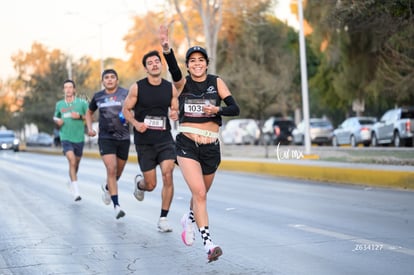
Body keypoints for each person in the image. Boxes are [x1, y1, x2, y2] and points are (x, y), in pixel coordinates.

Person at [159, 25, 240, 262]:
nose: (196, 63)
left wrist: (218, 109)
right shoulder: (182, 84)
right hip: (186, 144)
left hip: (211, 147)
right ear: (188, 65)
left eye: (200, 60)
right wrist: (166, 49)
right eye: (192, 60)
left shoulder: (217, 82)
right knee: (200, 194)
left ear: (206, 63)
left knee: (200, 195)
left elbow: (235, 108)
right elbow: (173, 69)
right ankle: (208, 244)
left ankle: (189, 219)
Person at [122, 50, 179, 232]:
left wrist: (174, 113)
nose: (154, 64)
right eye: (150, 63)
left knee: (168, 174)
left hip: (165, 139)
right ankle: (140, 184)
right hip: (144, 142)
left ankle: (163, 218)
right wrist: (136, 123)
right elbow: (125, 110)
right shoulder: (137, 87)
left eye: (157, 61)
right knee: (151, 185)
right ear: (146, 68)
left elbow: (175, 109)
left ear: (161, 65)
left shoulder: (169, 88)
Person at [85, 69, 130, 220]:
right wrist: (90, 128)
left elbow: (134, 109)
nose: (110, 80)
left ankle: (107, 187)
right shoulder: (98, 96)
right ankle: (117, 206)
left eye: (112, 77)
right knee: (111, 169)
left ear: (117, 80)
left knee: (118, 173)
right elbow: (89, 113)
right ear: (103, 81)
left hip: (123, 138)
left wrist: (132, 118)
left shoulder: (126, 93)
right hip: (106, 138)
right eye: (106, 78)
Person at [53, 79, 89, 202]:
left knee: (76, 164)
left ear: (74, 90)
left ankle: (71, 181)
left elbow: (90, 117)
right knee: (72, 160)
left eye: (70, 87)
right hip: (65, 137)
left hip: (79, 138)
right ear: (64, 90)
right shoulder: (59, 104)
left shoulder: (82, 103)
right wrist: (58, 122)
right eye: (66, 87)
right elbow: (56, 119)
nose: (68, 89)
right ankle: (76, 192)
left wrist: (79, 116)